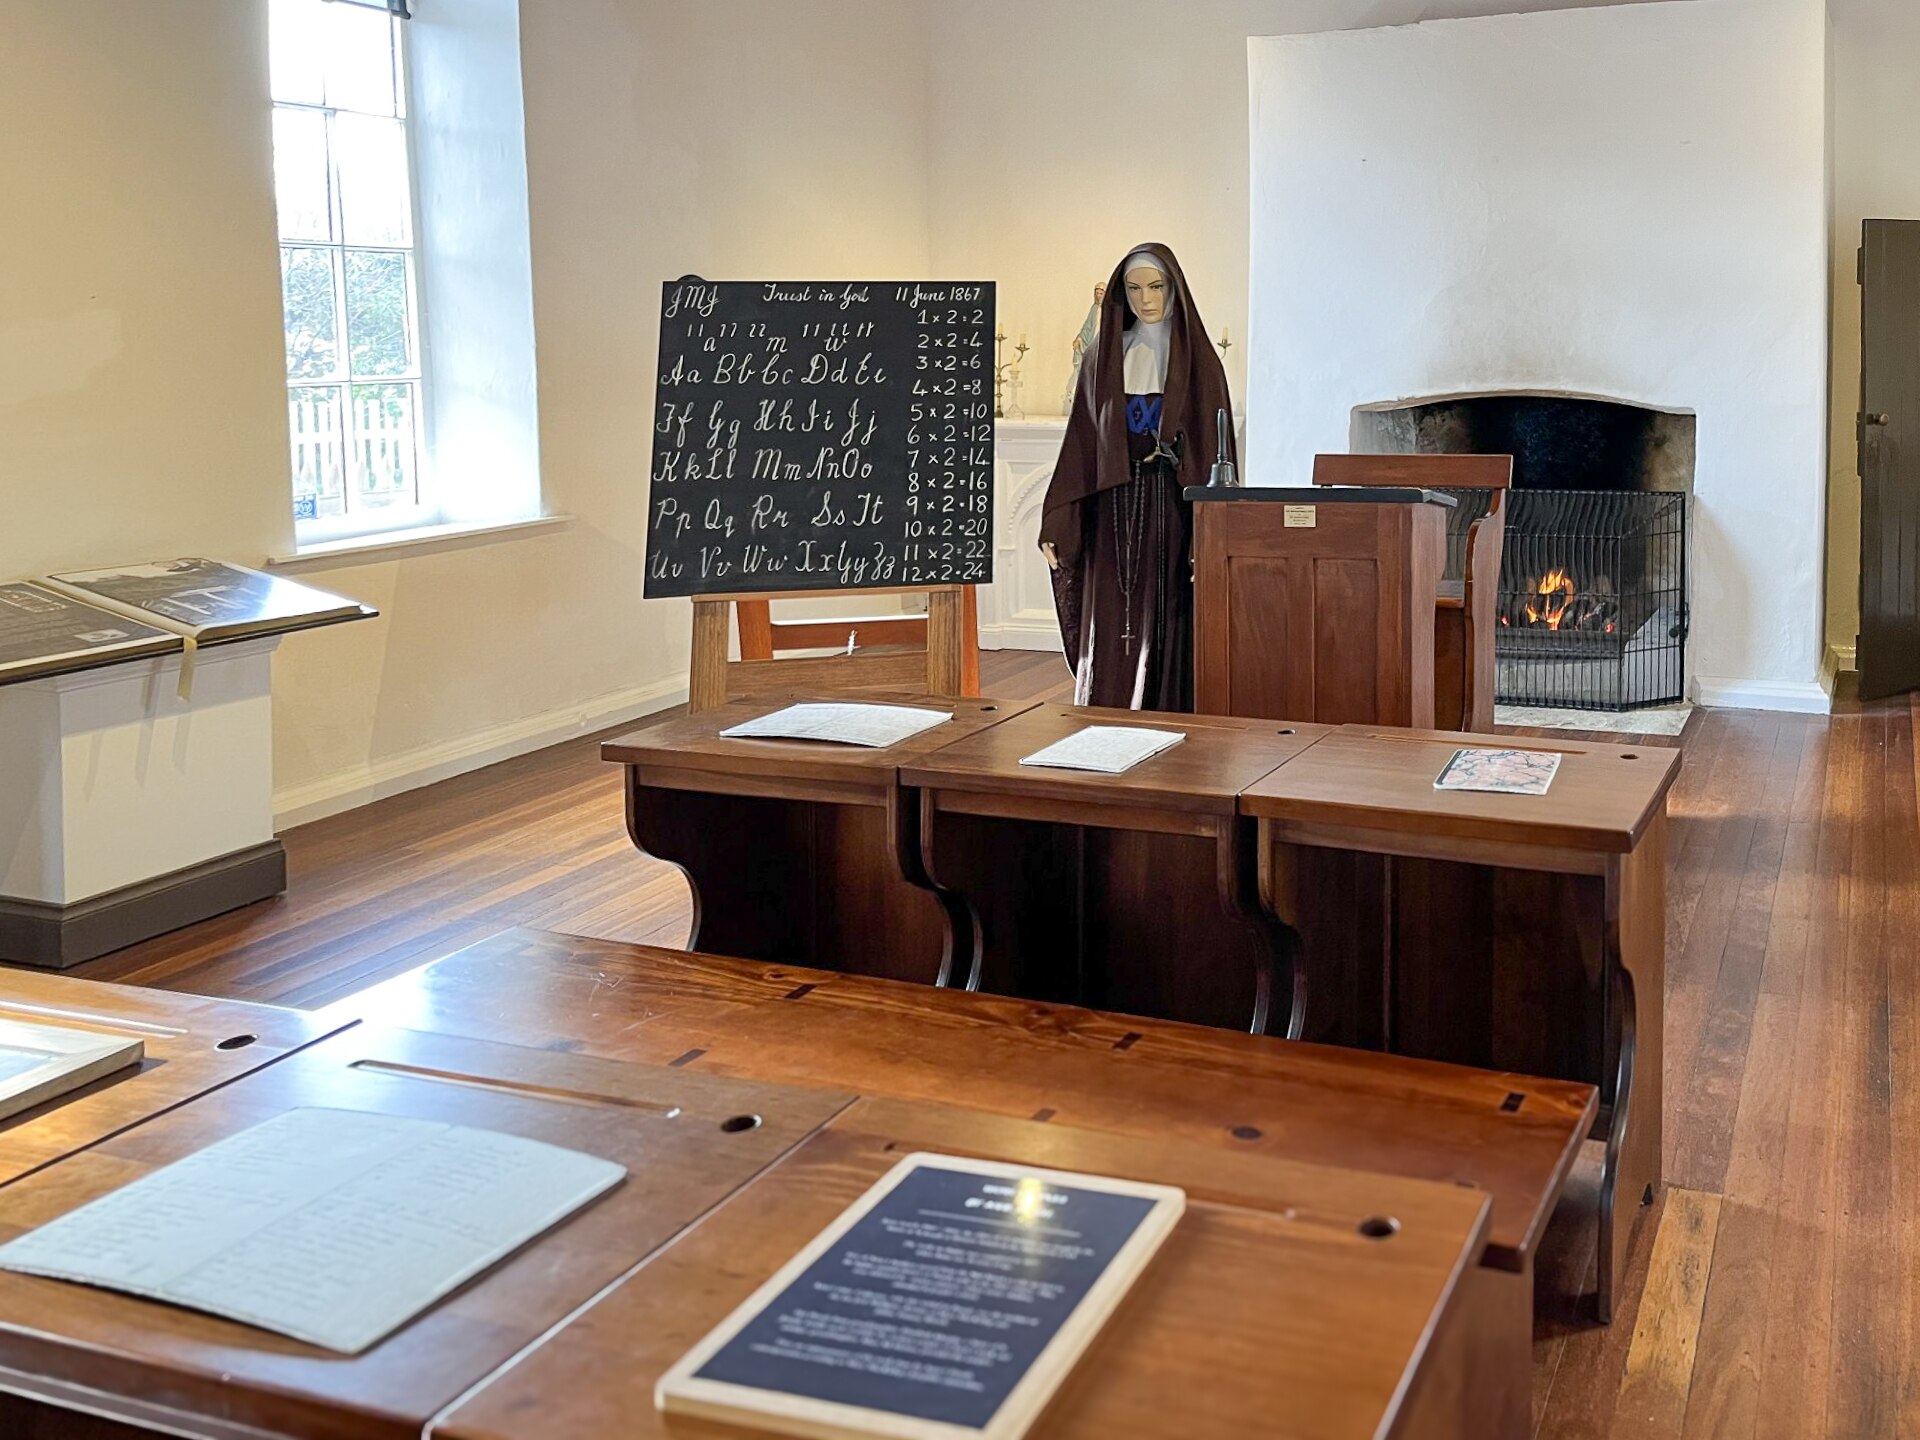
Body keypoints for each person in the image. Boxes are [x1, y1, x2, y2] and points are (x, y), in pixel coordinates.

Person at [1039, 244, 1233, 711]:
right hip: (1112, 510)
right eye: (1134, 288)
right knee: (1113, 613)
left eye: (1156, 286)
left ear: (1174, 289)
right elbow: (1081, 445)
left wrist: (1210, 527)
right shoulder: (1102, 360)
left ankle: (1168, 712)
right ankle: (1107, 706)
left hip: (1171, 509)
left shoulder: (1201, 365)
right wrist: (1059, 521)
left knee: (1167, 609)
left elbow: (1213, 449)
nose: (1146, 299)